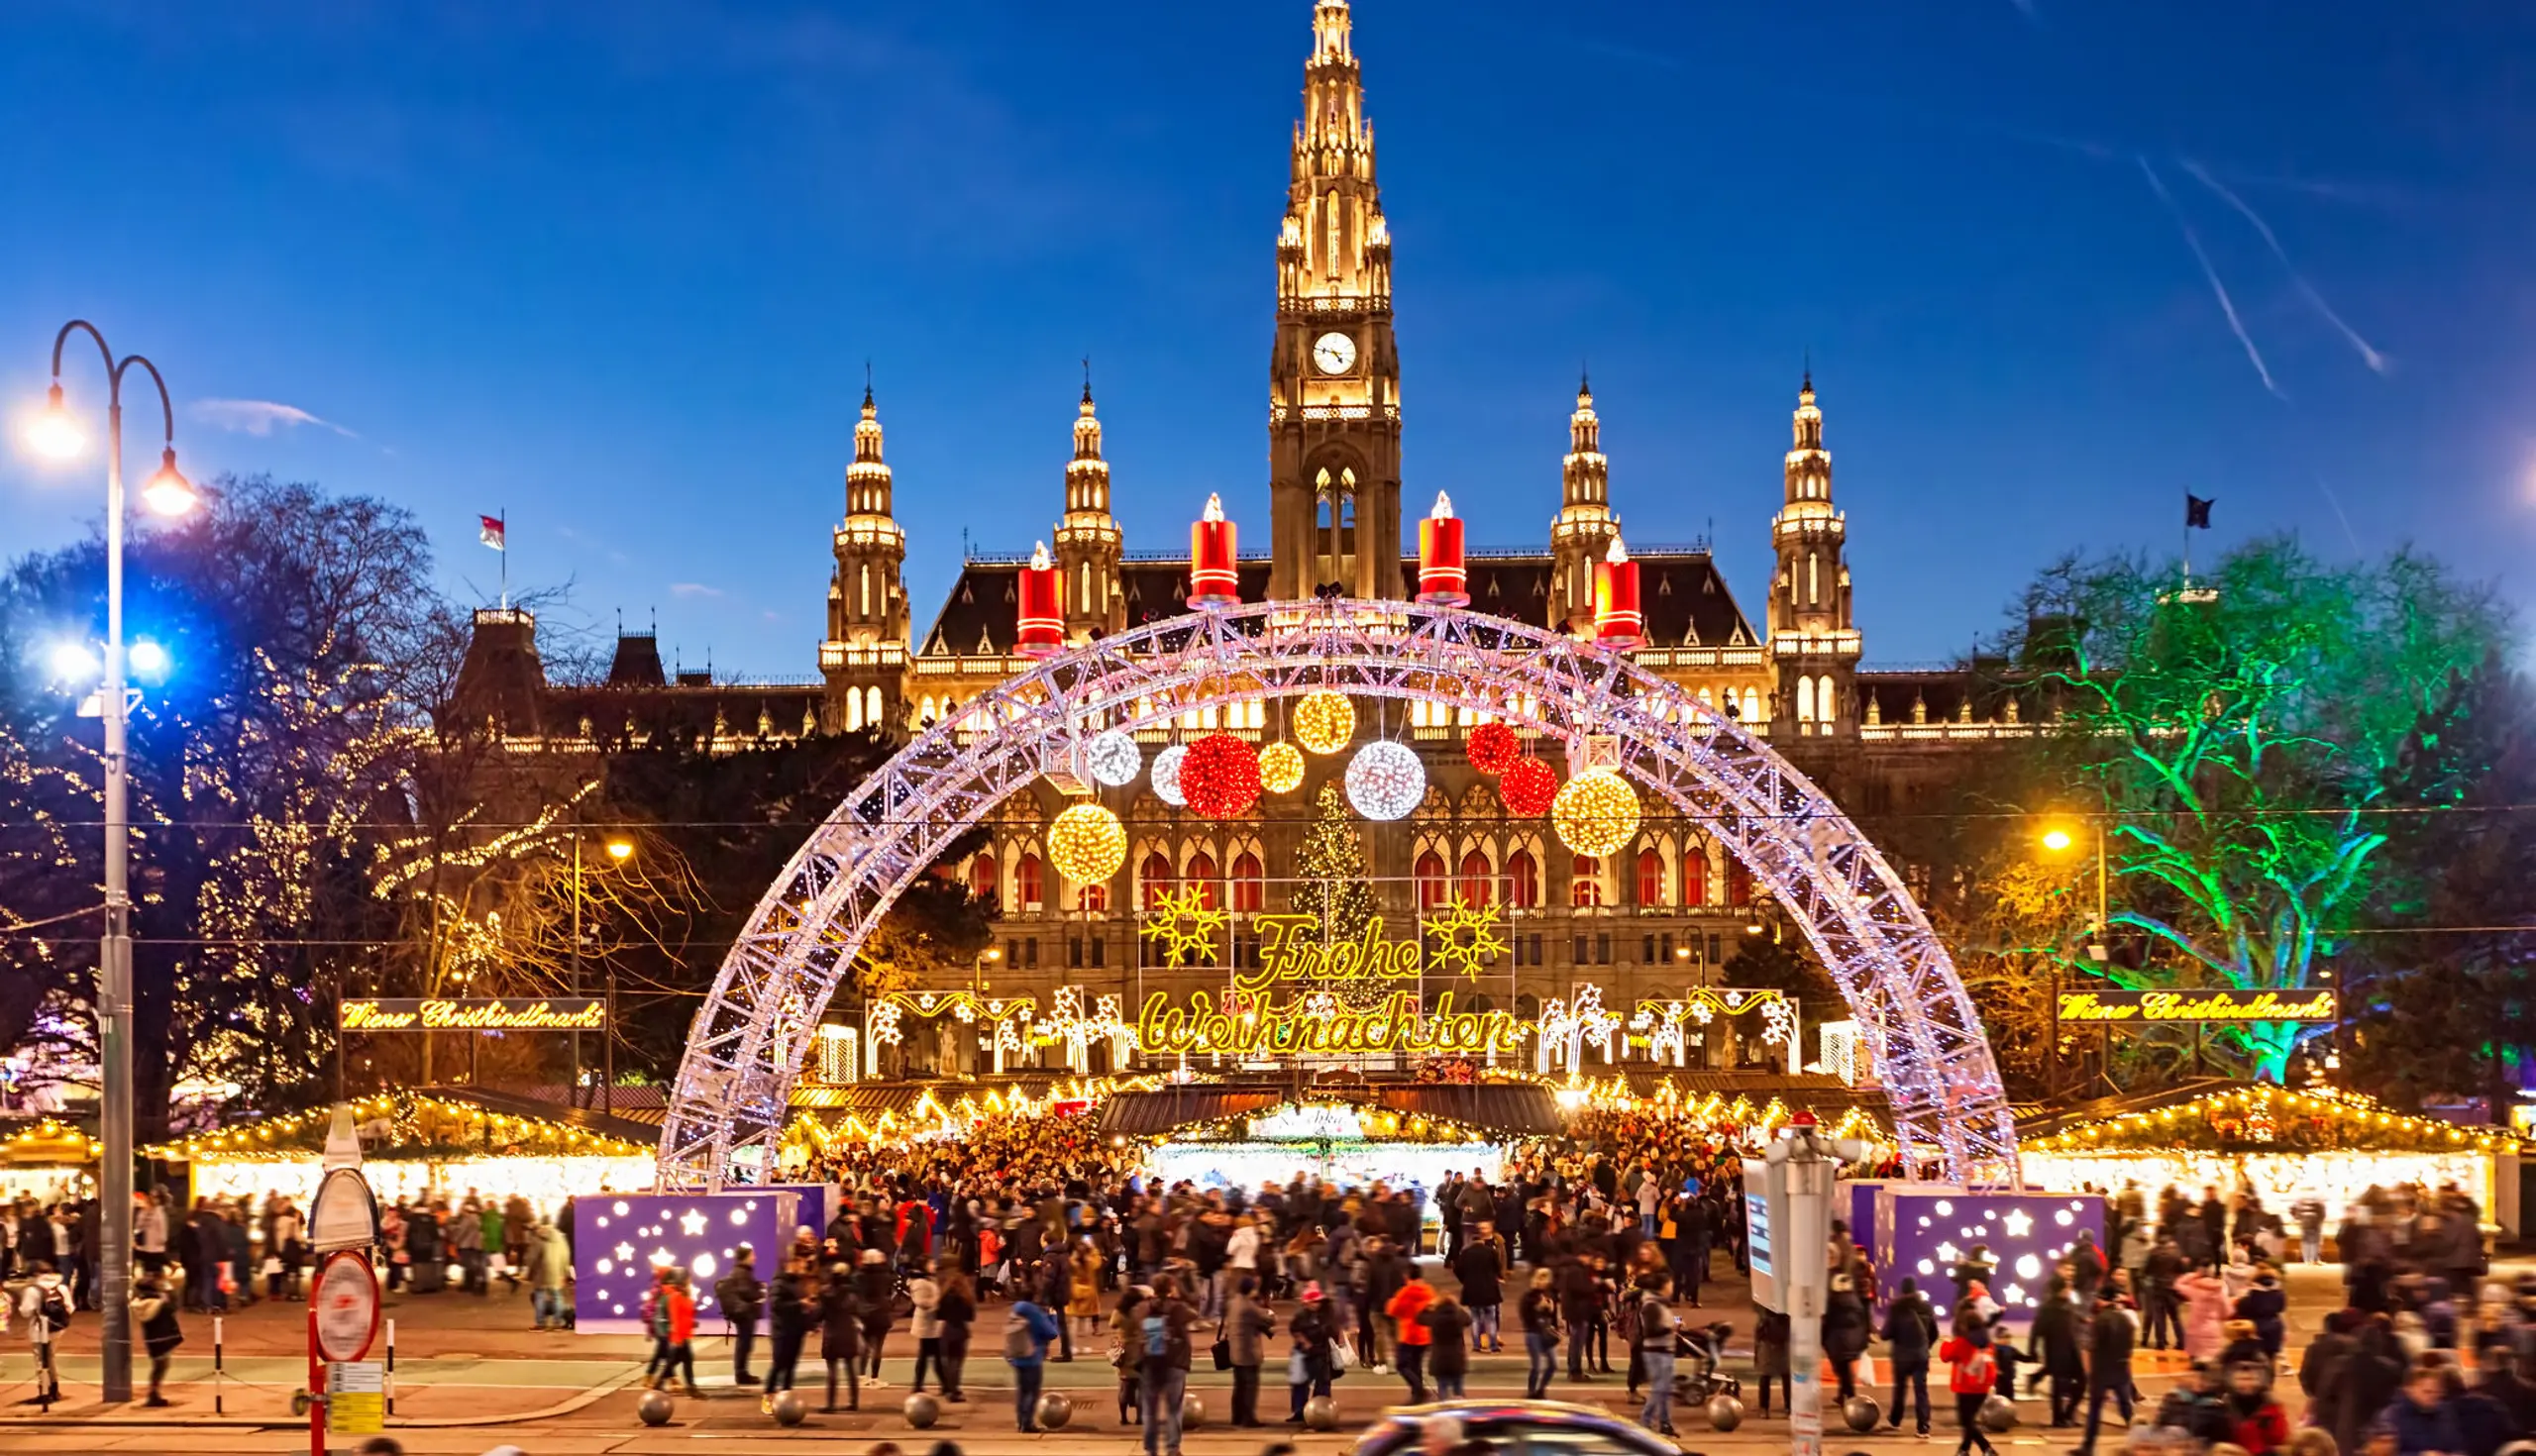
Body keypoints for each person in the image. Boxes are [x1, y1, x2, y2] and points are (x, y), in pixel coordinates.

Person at [1138, 1275, 1197, 1456]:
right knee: (1173, 1409)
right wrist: (1179, 1294)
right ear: (1171, 1288)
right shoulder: (1178, 1308)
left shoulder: (1144, 1307)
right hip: (1174, 1363)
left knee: (1149, 1411)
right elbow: (1195, 1311)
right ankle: (1172, 1448)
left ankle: (1151, 1449)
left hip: (1150, 1362)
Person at [2074, 1288, 2137, 1456]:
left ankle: (2088, 1447)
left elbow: (2091, 1347)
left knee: (2095, 1410)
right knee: (2126, 1409)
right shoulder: (2126, 1319)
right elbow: (2130, 1348)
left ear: (2103, 1300)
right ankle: (2140, 1442)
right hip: (2121, 1369)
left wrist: (2089, 1372)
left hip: (2101, 1371)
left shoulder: (2100, 1320)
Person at [1881, 1276, 1938, 1436]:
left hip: (1901, 1356)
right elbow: (1934, 1332)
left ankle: (1895, 1420)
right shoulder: (1926, 1307)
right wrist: (1926, 1347)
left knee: (1900, 1389)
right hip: (1921, 1355)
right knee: (1921, 1390)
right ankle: (1923, 1426)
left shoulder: (1896, 1308)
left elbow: (1885, 1334)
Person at [1938, 1313, 2001, 1456]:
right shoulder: (1988, 1343)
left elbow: (1945, 1357)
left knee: (1966, 1421)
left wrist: (1947, 1342)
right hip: (1982, 1388)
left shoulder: (1962, 1342)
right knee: (1969, 1420)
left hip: (1965, 1387)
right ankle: (1964, 1450)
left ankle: (1987, 1448)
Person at [1003, 1288, 1062, 1432]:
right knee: (1031, 1392)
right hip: (1032, 1357)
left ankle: (1020, 1421)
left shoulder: (1015, 1311)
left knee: (1021, 1391)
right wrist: (1053, 1317)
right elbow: (1051, 1333)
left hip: (1017, 1357)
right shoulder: (1034, 1312)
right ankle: (1027, 1423)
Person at [1226, 1273, 1277, 1426]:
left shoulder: (1234, 1302)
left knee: (1239, 1386)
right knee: (1250, 1387)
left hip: (1235, 1351)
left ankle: (1237, 1417)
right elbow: (1270, 1320)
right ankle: (1248, 1419)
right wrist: (1268, 1310)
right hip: (1248, 1353)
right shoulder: (1248, 1307)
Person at [2378, 1365, 2463, 1456]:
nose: (2434, 1396)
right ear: (2409, 1390)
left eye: (2437, 1392)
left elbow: (2457, 1445)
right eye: (2427, 1392)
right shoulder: (2392, 1416)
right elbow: (2384, 1454)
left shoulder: (2445, 1412)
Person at [17, 1258, 68, 1403]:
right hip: (57, 1328)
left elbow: (26, 1311)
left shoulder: (32, 1289)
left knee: (41, 1360)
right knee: (51, 1357)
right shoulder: (61, 1287)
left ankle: (45, 1393)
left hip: (39, 1328)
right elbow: (70, 1307)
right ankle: (54, 1389)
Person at [1387, 1261, 1437, 1404]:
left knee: (1401, 1365)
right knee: (1416, 1365)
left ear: (1407, 1275)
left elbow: (1393, 1310)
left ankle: (1419, 1390)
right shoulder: (1429, 1290)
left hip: (1409, 1333)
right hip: (1425, 1334)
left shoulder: (1406, 1292)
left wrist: (1392, 1301)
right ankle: (1417, 1396)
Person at [132, 1266, 182, 1406]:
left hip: (151, 1335)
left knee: (159, 1364)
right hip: (162, 1333)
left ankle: (153, 1392)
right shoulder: (160, 1300)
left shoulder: (142, 1298)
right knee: (161, 1365)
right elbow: (173, 1307)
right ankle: (153, 1393)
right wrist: (167, 1288)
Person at [1634, 1275, 1677, 1436]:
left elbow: (1669, 1319)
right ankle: (1645, 1420)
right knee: (1660, 1389)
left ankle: (1665, 1423)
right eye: (1670, 1285)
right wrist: (1671, 1328)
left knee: (1665, 1389)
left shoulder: (1661, 1304)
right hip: (1657, 1352)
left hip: (1664, 1351)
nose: (1672, 1288)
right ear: (1663, 1287)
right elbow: (1650, 1331)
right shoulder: (1651, 1305)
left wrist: (1677, 1321)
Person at [1287, 1283, 1336, 1422]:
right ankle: (1299, 1412)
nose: (1316, 1304)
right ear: (1306, 1302)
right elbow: (1294, 1329)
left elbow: (1332, 1330)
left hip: (1320, 1354)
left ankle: (1321, 1413)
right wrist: (1304, 1342)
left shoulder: (1325, 1314)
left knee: (1323, 1385)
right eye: (1314, 1301)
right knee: (1299, 1385)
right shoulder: (1301, 1316)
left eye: (1318, 1301)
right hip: (1304, 1354)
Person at [716, 1244, 764, 1387]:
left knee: (744, 1343)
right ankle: (741, 1374)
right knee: (744, 1344)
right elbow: (746, 1291)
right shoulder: (742, 1273)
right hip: (745, 1313)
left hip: (744, 1313)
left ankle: (742, 1372)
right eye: (752, 1254)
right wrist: (759, 1292)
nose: (754, 1257)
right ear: (745, 1257)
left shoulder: (740, 1271)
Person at [764, 1256, 810, 1401]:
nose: (803, 1267)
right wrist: (799, 1303)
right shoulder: (779, 1283)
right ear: (792, 1264)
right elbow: (777, 1305)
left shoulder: (797, 1282)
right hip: (782, 1331)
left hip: (796, 1331)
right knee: (779, 1364)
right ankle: (768, 1395)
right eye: (800, 1264)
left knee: (791, 1365)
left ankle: (786, 1395)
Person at [819, 1260, 863, 1412]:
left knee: (832, 1371)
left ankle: (831, 1404)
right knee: (851, 1370)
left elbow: (819, 1314)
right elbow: (858, 1311)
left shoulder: (825, 1293)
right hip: (848, 1331)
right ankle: (854, 1402)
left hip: (832, 1333)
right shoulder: (852, 1293)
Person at [2222, 1361, 2290, 1456]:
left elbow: (2281, 1440)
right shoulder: (2223, 1407)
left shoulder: (2272, 1408)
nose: (2246, 1384)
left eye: (2250, 1379)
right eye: (2241, 1379)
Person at [1518, 1268, 1560, 1401]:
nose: (1543, 1281)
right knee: (1536, 1366)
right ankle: (1531, 1392)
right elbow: (1525, 1316)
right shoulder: (1528, 1296)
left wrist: (1550, 1310)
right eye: (1541, 1278)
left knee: (1553, 1364)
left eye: (1546, 1278)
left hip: (1545, 1332)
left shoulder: (1548, 1295)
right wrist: (1537, 1308)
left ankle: (1541, 1389)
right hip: (1533, 1333)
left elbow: (1550, 1316)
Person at [1424, 1289, 1474, 1403]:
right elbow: (1469, 1319)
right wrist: (1457, 1307)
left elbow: (1419, 1318)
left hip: (1439, 1358)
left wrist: (1429, 1305)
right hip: (1457, 1357)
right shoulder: (1458, 1316)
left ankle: (1443, 1411)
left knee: (1442, 1389)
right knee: (1458, 1389)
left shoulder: (1434, 1317)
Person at [524, 1215, 571, 1331]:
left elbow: (532, 1257)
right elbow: (566, 1255)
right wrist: (565, 1272)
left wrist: (528, 1272)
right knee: (557, 1296)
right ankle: (557, 1323)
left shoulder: (538, 1237)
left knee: (539, 1296)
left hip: (541, 1271)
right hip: (556, 1271)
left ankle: (541, 1323)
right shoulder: (561, 1237)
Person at [1753, 1307, 1793, 1416]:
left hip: (1769, 1345)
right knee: (1785, 1377)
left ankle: (1764, 1408)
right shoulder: (1786, 1315)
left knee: (1766, 1377)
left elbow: (1758, 1335)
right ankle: (1788, 1408)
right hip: (1782, 1345)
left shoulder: (1765, 1314)